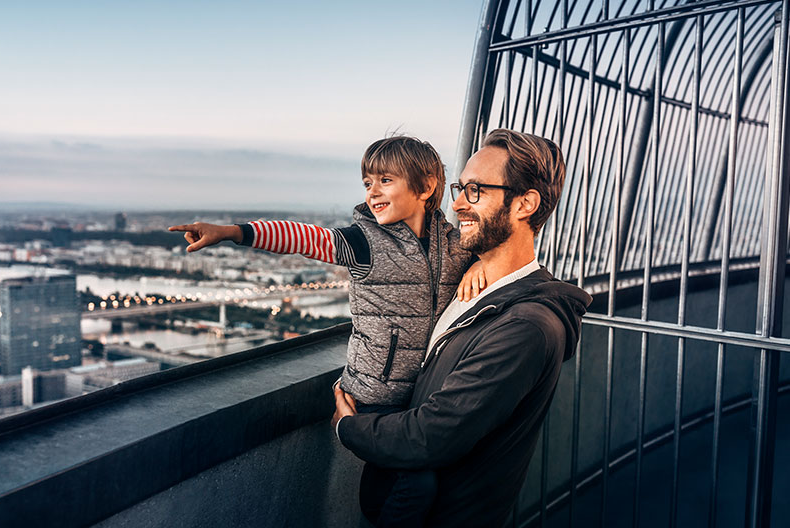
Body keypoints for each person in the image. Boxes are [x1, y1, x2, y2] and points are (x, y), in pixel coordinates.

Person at [170, 136, 484, 527]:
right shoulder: (363, 241)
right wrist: (234, 232)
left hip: (427, 391)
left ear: (426, 187)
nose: (372, 191)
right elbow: (303, 238)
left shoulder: (455, 244)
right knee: (415, 484)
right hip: (376, 394)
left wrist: (477, 266)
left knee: (426, 480)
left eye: (385, 180)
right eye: (367, 182)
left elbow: (496, 253)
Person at [333, 129, 593, 528]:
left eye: (475, 190)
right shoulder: (472, 285)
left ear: (525, 203)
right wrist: (477, 263)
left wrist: (349, 427)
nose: (456, 204)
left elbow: (431, 435)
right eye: (460, 188)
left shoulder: (526, 327)